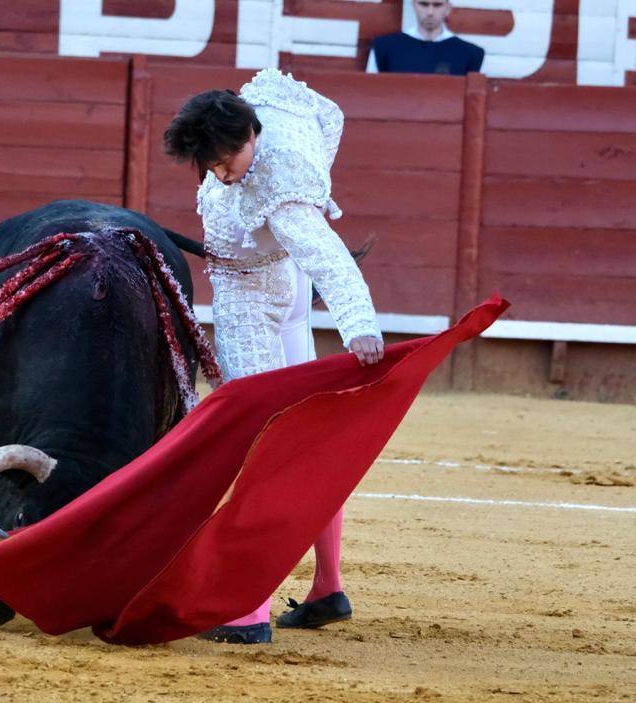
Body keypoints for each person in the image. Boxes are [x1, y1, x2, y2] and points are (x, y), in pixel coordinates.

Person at [163, 68, 385, 644]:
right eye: (208, 164)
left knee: (257, 446)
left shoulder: (276, 189)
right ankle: (327, 586)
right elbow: (329, 112)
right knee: (303, 439)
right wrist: (317, 183)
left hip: (248, 303)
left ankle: (248, 609)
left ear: (249, 136)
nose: (219, 172)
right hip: (283, 290)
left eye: (224, 160)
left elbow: (327, 255)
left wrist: (358, 323)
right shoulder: (269, 106)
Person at [367, 0, 484, 75]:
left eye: (437, 5)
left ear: (448, 8)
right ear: (414, 4)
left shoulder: (471, 54)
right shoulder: (384, 48)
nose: (430, 12)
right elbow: (369, 95)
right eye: (424, 4)